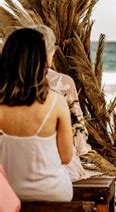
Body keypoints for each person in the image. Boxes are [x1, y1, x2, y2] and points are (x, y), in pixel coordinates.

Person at [0, 28, 73, 212]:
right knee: (62, 185)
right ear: (41, 59)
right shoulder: (55, 101)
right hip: (50, 189)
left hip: (8, 194)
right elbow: (66, 157)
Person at [29, 24, 91, 180]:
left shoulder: (7, 83)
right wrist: (83, 148)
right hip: (59, 169)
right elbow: (78, 135)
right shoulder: (62, 82)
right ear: (51, 51)